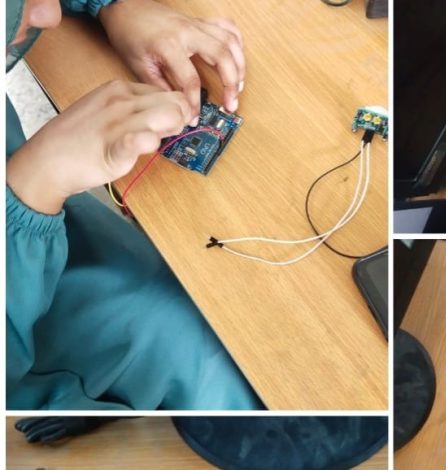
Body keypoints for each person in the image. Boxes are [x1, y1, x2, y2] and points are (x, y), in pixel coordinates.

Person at [7, 0, 261, 409]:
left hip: (37, 208)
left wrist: (113, 7)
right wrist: (33, 184)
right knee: (225, 361)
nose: (50, 15)